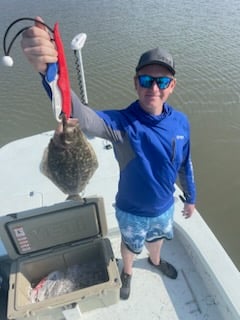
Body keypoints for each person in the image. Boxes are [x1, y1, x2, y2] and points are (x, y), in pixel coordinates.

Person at [21, 17, 196, 300]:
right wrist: (48, 70)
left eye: (162, 81)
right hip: (131, 210)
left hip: (165, 207)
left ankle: (154, 261)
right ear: (136, 83)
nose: (154, 87)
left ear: (172, 85)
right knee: (130, 245)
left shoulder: (181, 122)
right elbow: (82, 117)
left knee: (157, 240)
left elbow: (185, 162)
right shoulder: (120, 123)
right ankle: (127, 271)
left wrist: (190, 196)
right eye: (146, 80)